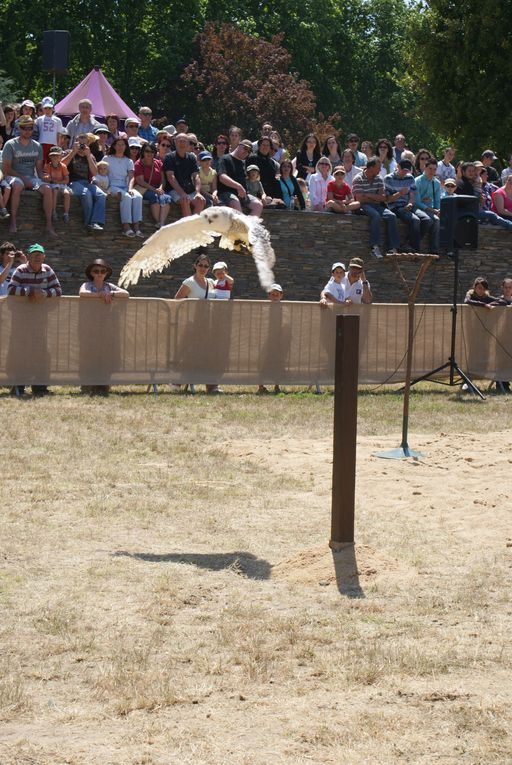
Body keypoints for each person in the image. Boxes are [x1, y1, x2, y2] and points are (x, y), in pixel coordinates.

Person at [8, 243, 62, 396]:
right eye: (34, 254)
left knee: (41, 353)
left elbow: (58, 290)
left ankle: (40, 387)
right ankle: (18, 387)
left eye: (40, 254)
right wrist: (30, 291)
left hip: (40, 319)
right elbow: (11, 289)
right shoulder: (20, 270)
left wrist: (44, 294)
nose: (38, 257)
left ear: (44, 256)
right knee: (21, 352)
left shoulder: (48, 270)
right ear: (29, 257)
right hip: (21, 319)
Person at [79, 258, 129, 395]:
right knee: (89, 354)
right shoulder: (87, 285)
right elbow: (82, 293)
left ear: (106, 273)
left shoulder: (110, 286)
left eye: (102, 271)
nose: (99, 273)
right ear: (91, 273)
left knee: (106, 354)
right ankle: (87, 384)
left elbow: (126, 294)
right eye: (96, 271)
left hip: (107, 326)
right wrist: (99, 295)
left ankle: (104, 383)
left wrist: (110, 293)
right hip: (90, 325)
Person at [1, 115, 56, 236]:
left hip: (30, 177)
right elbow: (6, 169)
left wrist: (45, 177)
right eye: (24, 128)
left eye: (30, 128)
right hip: (13, 175)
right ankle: (13, 221)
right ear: (19, 128)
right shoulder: (10, 144)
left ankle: (49, 225)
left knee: (47, 188)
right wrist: (22, 178)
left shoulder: (37, 146)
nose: (28, 130)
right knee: (17, 185)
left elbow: (39, 170)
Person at [174, 253, 220, 394]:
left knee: (210, 355)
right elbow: (177, 300)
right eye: (200, 265)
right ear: (195, 266)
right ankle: (177, 382)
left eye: (206, 266)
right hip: (192, 323)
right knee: (187, 353)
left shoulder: (211, 282)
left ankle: (212, 386)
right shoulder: (189, 282)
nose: (203, 268)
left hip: (209, 324)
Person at [352, 157, 400, 258]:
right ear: (371, 167)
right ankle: (374, 247)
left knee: (391, 216)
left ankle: (392, 247)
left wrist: (368, 195)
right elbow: (359, 199)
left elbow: (382, 198)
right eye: (378, 168)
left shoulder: (379, 179)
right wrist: (374, 197)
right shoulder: (358, 179)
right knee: (375, 215)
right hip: (363, 206)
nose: (380, 170)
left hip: (377, 205)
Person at [385, 158, 432, 251]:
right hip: (395, 206)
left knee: (427, 220)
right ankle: (415, 249)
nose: (405, 173)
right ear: (398, 167)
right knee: (415, 220)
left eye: (407, 170)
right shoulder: (388, 178)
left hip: (408, 206)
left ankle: (409, 243)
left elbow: (412, 195)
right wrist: (400, 193)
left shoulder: (410, 177)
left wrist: (410, 203)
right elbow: (387, 200)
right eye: (403, 170)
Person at [63, 133, 105, 231]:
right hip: (72, 182)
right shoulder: (68, 152)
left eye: (84, 144)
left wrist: (88, 156)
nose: (82, 145)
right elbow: (62, 165)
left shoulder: (90, 156)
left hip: (86, 182)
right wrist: (73, 152)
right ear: (75, 141)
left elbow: (95, 173)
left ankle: (95, 222)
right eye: (79, 142)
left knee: (101, 195)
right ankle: (88, 224)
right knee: (86, 194)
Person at [106, 137, 144, 237]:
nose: (120, 147)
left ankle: (136, 227)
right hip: (112, 186)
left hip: (125, 186)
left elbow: (132, 177)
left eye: (123, 145)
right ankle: (126, 227)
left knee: (138, 197)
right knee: (126, 197)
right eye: (118, 144)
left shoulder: (128, 161)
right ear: (114, 146)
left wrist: (130, 188)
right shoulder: (107, 158)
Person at [163, 132, 205, 218]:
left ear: (188, 143)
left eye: (184, 141)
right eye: (179, 141)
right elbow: (170, 177)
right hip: (173, 190)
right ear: (175, 142)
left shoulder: (192, 157)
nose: (182, 143)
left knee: (201, 200)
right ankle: (189, 227)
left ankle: (192, 225)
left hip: (189, 189)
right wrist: (182, 193)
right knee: (185, 200)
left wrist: (197, 192)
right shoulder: (169, 157)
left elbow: (196, 176)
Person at [217, 139, 263, 215]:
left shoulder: (243, 163)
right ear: (238, 146)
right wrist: (238, 187)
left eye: (249, 151)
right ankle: (242, 225)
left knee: (258, 205)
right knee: (235, 203)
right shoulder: (225, 159)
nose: (246, 152)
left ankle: (249, 226)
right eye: (245, 148)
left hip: (242, 195)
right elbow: (222, 177)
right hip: (226, 194)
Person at [134, 142, 172, 228]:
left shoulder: (158, 163)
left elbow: (163, 180)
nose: (149, 153)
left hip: (157, 188)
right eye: (147, 151)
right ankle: (158, 221)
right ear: (143, 152)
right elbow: (140, 181)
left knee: (167, 198)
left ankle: (161, 223)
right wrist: (154, 190)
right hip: (144, 188)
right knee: (154, 197)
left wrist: (160, 188)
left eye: (152, 151)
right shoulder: (138, 164)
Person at [258, 283, 284, 394]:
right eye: (272, 294)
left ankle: (277, 386)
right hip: (266, 340)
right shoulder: (264, 307)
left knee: (278, 362)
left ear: (281, 295)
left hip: (279, 340)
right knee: (263, 362)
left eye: (276, 294)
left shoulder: (285, 307)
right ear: (269, 295)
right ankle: (260, 386)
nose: (274, 297)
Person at [413, 158, 441, 252]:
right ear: (424, 167)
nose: (432, 171)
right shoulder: (417, 181)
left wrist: (438, 210)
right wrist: (431, 210)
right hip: (417, 208)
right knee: (428, 220)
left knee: (437, 220)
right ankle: (413, 243)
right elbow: (416, 202)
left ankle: (434, 250)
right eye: (430, 168)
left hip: (429, 209)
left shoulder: (436, 183)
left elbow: (437, 201)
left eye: (434, 169)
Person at [248, 137, 282, 204]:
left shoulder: (271, 162)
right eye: (263, 145)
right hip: (256, 192)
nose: (265, 147)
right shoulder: (252, 158)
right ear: (259, 146)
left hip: (270, 194)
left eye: (267, 145)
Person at [43, 146, 71, 223]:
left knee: (67, 193)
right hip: (53, 185)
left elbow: (67, 180)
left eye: (57, 155)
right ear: (50, 156)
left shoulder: (63, 166)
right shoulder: (47, 166)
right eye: (53, 155)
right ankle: (54, 211)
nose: (55, 157)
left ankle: (66, 213)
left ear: (61, 156)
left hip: (61, 184)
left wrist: (58, 182)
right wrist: (48, 178)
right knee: (55, 191)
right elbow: (47, 178)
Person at [34, 97, 63, 162]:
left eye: (49, 108)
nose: (47, 110)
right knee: (41, 161)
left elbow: (59, 133)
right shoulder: (39, 119)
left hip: (53, 144)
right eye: (45, 108)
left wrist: (58, 146)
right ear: (43, 109)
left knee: (52, 162)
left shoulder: (57, 120)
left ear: (53, 109)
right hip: (41, 143)